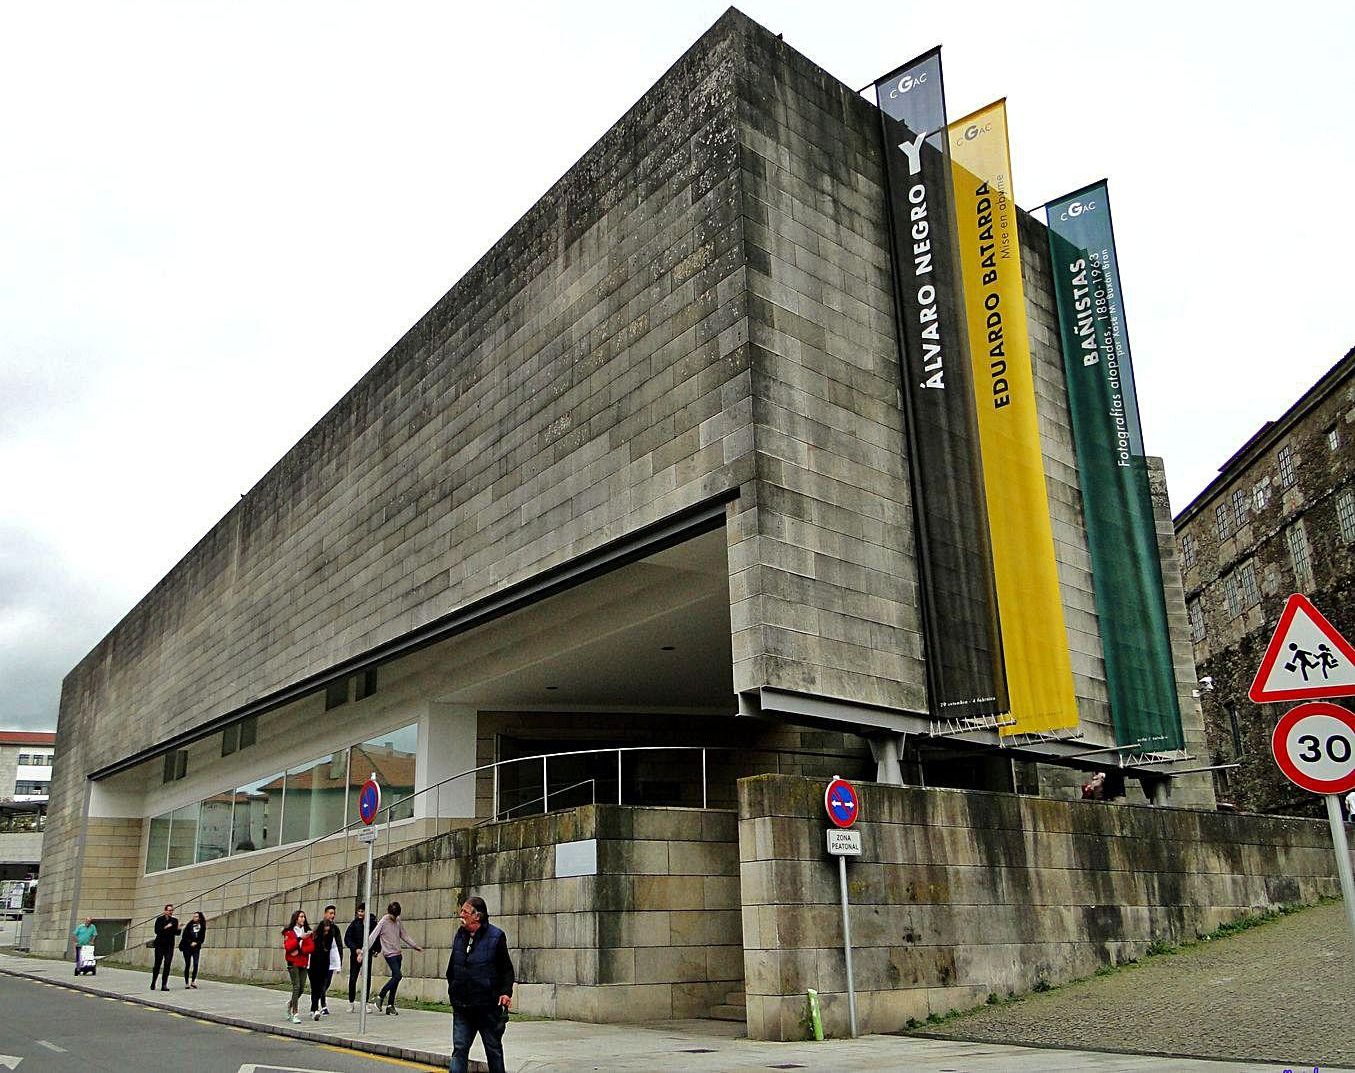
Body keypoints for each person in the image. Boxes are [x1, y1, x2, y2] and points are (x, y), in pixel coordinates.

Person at [446, 896, 514, 1073]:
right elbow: (452, 967)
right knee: (459, 1049)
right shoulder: (460, 936)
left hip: (487, 1007)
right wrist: (453, 989)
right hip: (462, 1007)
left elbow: (507, 970)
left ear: (477, 916)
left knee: (493, 1051)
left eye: (465, 912)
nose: (461, 915)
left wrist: (506, 992)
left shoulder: (496, 937)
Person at [368, 900, 422, 1014]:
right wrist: (364, 951)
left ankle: (390, 1005)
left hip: (398, 954)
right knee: (398, 975)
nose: (394, 919)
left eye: (396, 916)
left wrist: (414, 946)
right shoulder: (383, 921)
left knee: (395, 979)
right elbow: (372, 936)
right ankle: (380, 996)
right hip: (389, 954)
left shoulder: (397, 920)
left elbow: (403, 934)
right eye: (393, 916)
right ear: (389, 913)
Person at [308, 904, 342, 1019]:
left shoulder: (334, 930)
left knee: (324, 985)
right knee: (316, 986)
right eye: (330, 913)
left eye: (334, 913)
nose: (332, 915)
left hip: (327, 963)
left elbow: (336, 946)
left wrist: (338, 963)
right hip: (314, 963)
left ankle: (317, 1006)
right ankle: (316, 1007)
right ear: (325, 914)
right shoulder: (317, 930)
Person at [282, 909, 315, 1024]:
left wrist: (300, 949)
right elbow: (288, 947)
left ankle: (290, 1003)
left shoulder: (307, 931)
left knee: (301, 988)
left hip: (303, 961)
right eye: (301, 917)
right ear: (296, 918)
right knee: (296, 986)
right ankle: (295, 1013)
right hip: (293, 962)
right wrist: (299, 939)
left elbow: (311, 947)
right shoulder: (289, 932)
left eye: (304, 917)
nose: (303, 919)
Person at [344, 902, 376, 1012]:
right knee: (353, 978)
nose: (360, 913)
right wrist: (355, 949)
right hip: (355, 955)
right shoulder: (354, 924)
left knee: (367, 979)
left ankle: (365, 1003)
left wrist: (376, 950)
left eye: (362, 911)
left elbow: (376, 937)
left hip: (367, 954)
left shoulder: (372, 923)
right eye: (359, 911)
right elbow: (347, 939)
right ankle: (351, 1002)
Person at [151, 904, 179, 991]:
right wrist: (166, 927)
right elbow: (157, 931)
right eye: (169, 910)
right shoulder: (159, 920)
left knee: (167, 964)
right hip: (160, 945)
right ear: (165, 911)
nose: (170, 912)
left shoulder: (174, 920)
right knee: (157, 964)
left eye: (172, 910)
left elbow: (176, 933)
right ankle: (153, 982)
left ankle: (164, 985)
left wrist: (179, 929)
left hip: (169, 946)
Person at [179, 911, 207, 988]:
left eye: (196, 916)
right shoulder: (189, 925)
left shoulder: (202, 926)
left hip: (196, 948)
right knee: (187, 964)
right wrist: (190, 942)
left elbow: (202, 938)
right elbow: (184, 936)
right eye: (194, 916)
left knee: (196, 963)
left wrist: (197, 943)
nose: (194, 918)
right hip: (187, 947)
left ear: (199, 918)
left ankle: (193, 981)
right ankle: (186, 982)